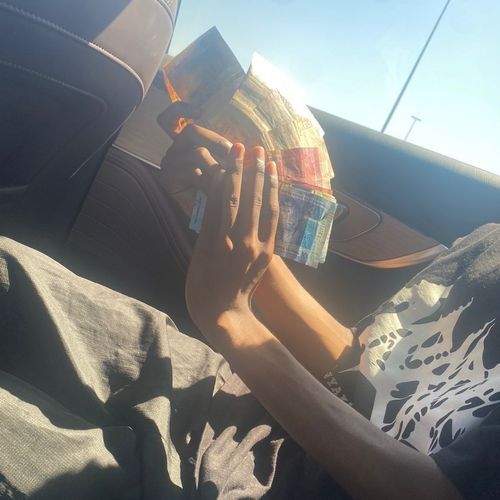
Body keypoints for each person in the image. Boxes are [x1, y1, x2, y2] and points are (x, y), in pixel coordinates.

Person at [0, 107, 498, 500]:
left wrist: (237, 324)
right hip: (268, 408)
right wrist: (222, 212)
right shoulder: (491, 242)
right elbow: (372, 370)